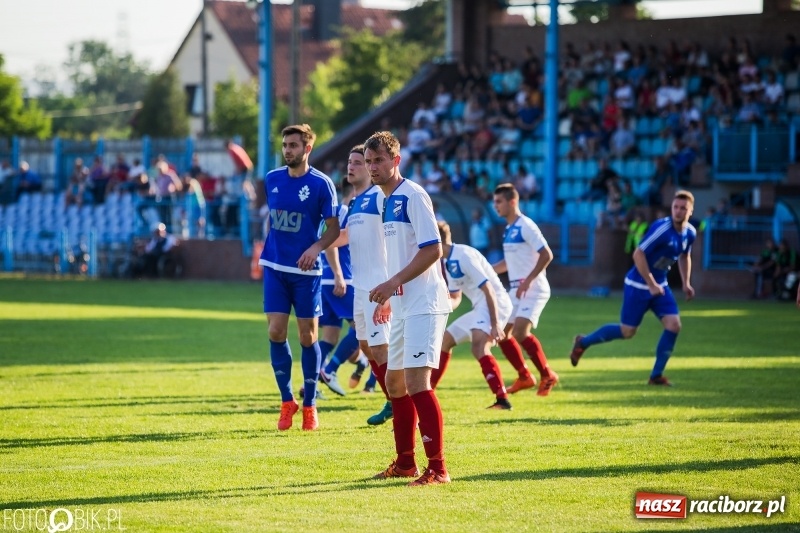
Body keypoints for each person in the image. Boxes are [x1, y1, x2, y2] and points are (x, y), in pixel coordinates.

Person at [365, 130, 452, 486]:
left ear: (396, 160)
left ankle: (438, 469)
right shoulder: (385, 200)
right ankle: (405, 464)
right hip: (403, 304)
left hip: (425, 303)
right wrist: (390, 295)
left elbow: (433, 250)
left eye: (379, 160)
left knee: (417, 381)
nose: (373, 167)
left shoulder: (413, 195)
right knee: (394, 382)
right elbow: (403, 253)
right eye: (369, 161)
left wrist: (392, 283)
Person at [570, 190, 698, 386]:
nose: (678, 211)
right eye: (675, 207)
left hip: (660, 286)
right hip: (638, 285)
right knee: (627, 332)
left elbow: (684, 256)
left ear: (691, 211)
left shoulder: (690, 233)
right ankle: (583, 342)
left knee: (674, 325)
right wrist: (651, 283)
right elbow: (638, 254)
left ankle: (656, 376)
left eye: (683, 208)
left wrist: (686, 282)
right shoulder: (662, 229)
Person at [259, 124, 340, 432]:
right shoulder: (272, 179)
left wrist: (315, 248)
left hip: (307, 273)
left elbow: (333, 229)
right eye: (285, 145)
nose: (287, 150)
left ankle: (310, 405)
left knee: (308, 337)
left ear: (307, 148)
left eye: (293, 145)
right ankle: (286, 401)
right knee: (275, 331)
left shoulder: (322, 184)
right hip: (275, 266)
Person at [325, 144, 394, 425]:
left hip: (379, 287)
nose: (351, 167)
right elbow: (346, 236)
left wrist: (392, 287)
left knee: (382, 347)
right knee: (365, 346)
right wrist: (314, 244)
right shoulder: (354, 202)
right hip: (360, 287)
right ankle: (392, 398)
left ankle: (399, 402)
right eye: (350, 162)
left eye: (357, 162)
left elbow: (398, 236)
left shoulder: (379, 197)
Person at [431, 221, 513, 410]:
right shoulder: (447, 262)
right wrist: (439, 308)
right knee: (444, 341)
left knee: (479, 346)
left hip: (496, 303)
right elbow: (455, 297)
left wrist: (495, 324)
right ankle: (427, 392)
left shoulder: (464, 256)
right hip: (480, 307)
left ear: (437, 241)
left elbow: (489, 289)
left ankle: (502, 400)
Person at [491, 183, 559, 397]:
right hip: (517, 290)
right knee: (502, 335)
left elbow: (547, 254)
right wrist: (487, 271)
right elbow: (509, 263)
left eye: (499, 202)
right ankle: (524, 376)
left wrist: (528, 281)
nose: (496, 206)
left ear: (512, 202)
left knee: (520, 332)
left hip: (533, 288)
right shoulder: (509, 230)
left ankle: (547, 375)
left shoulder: (526, 225)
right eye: (494, 202)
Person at [316, 179, 365, 397]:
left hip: (324, 281)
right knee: (362, 327)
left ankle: (311, 385)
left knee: (329, 336)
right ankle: (330, 370)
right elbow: (330, 244)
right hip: (340, 280)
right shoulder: (344, 212)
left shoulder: (330, 213)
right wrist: (338, 274)